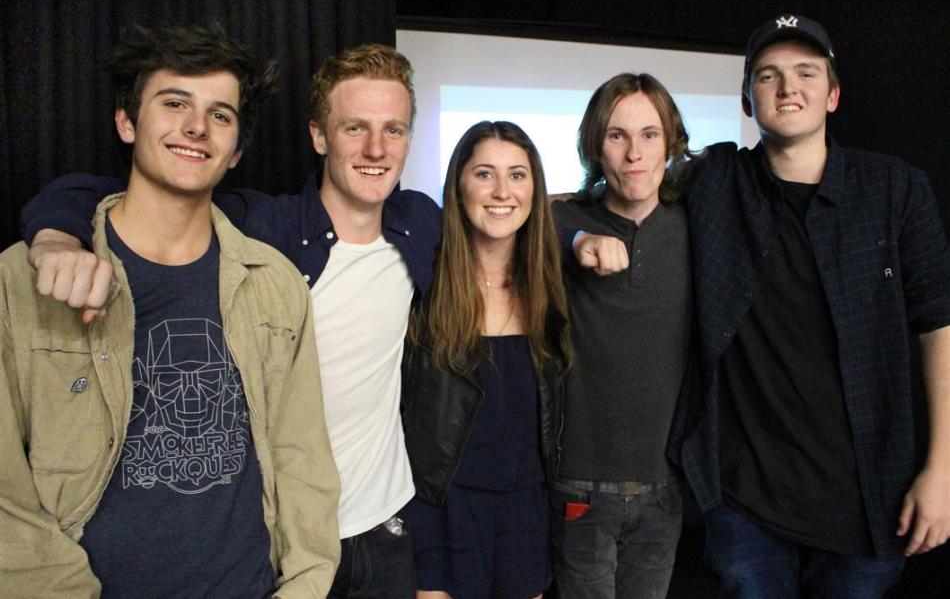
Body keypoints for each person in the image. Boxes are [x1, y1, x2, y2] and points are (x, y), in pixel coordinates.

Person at [17, 43, 442, 598]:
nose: (376, 148)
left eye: (395, 130)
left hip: (384, 526)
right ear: (319, 137)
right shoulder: (263, 228)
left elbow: (513, 223)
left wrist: (580, 236)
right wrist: (54, 234)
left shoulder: (420, 225)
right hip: (281, 538)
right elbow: (128, 190)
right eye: (355, 127)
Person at [668, 14, 950, 597]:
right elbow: (621, 185)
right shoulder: (715, 180)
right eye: (767, 76)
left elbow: (939, 325)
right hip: (745, 503)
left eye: (805, 73)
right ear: (747, 101)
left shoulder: (896, 190)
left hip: (871, 497)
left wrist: (942, 469)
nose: (787, 87)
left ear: (833, 93)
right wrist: (569, 232)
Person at [400, 120, 571, 599]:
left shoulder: (553, 291)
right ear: (458, 184)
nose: (502, 191)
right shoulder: (423, 283)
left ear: (536, 188)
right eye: (484, 174)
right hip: (442, 513)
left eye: (517, 175)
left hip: (526, 518)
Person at [548, 73, 693, 598]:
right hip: (579, 488)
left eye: (649, 135)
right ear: (595, 147)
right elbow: (502, 216)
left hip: (664, 489)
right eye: (616, 136)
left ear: (671, 143)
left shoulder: (693, 222)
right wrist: (576, 237)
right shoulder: (562, 220)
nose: (634, 153)